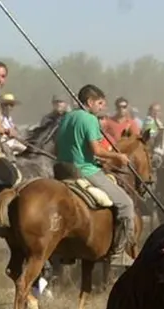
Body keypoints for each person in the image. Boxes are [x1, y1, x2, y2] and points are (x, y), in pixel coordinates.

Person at [54, 84, 135, 257]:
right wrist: (117, 157)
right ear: (90, 102)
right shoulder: (90, 119)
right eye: (100, 103)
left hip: (61, 169)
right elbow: (97, 150)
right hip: (84, 170)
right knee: (126, 204)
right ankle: (119, 253)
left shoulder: (67, 117)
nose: (102, 107)